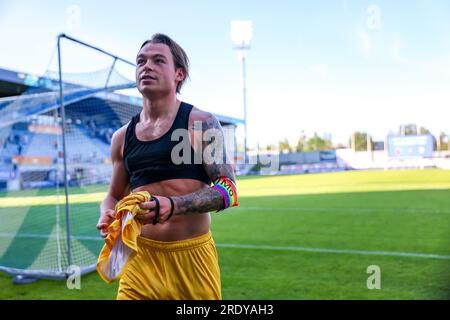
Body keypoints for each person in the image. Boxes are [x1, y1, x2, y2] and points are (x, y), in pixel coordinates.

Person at [96, 33, 238, 300]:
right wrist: (107, 212)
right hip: (140, 258)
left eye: (158, 60)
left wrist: (172, 206)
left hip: (192, 259)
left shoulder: (200, 122)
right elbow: (114, 195)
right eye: (141, 61)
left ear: (179, 74)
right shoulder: (121, 138)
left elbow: (228, 190)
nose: (146, 66)